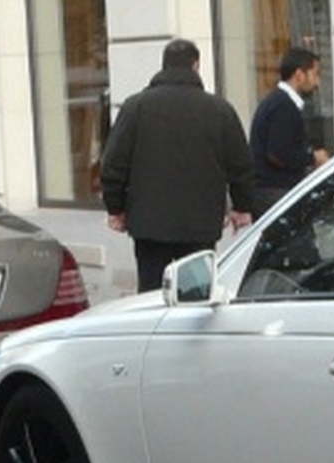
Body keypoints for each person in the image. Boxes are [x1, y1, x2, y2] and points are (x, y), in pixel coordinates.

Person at [99, 38, 257, 293]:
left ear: (163, 66)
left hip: (149, 227)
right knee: (197, 297)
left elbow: (113, 165)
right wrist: (242, 206)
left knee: (151, 297)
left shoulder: (135, 107)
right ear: (196, 66)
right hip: (200, 227)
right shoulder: (219, 110)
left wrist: (115, 208)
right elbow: (241, 166)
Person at [249, 46, 326, 205]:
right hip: (276, 193)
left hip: (272, 191)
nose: (317, 83)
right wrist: (313, 158)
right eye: (315, 74)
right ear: (299, 75)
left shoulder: (278, 102)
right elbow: (278, 153)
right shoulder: (284, 105)